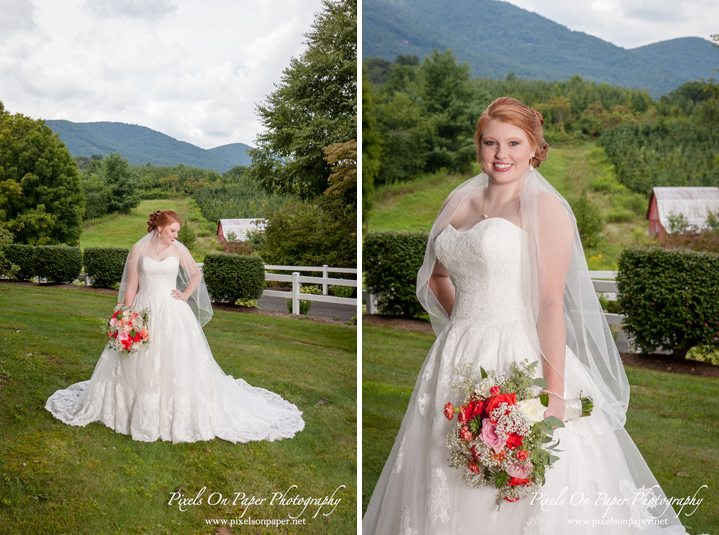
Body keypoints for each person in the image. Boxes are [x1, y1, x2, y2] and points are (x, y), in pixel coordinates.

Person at [362, 98, 689, 534]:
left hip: (520, 357)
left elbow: (551, 303)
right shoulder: (458, 202)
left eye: (514, 143)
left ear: (534, 148)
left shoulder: (546, 210)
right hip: (456, 356)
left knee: (517, 477)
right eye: (491, 142)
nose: (502, 154)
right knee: (444, 466)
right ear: (478, 146)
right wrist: (467, 323)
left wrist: (553, 397)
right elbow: (438, 274)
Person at [46, 209, 304, 444]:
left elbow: (195, 274)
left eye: (177, 231)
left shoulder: (179, 249)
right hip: (144, 309)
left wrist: (185, 293)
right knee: (136, 359)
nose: (175, 235)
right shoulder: (139, 250)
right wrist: (125, 316)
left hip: (172, 311)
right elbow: (132, 286)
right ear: (159, 228)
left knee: (176, 360)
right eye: (172, 230)